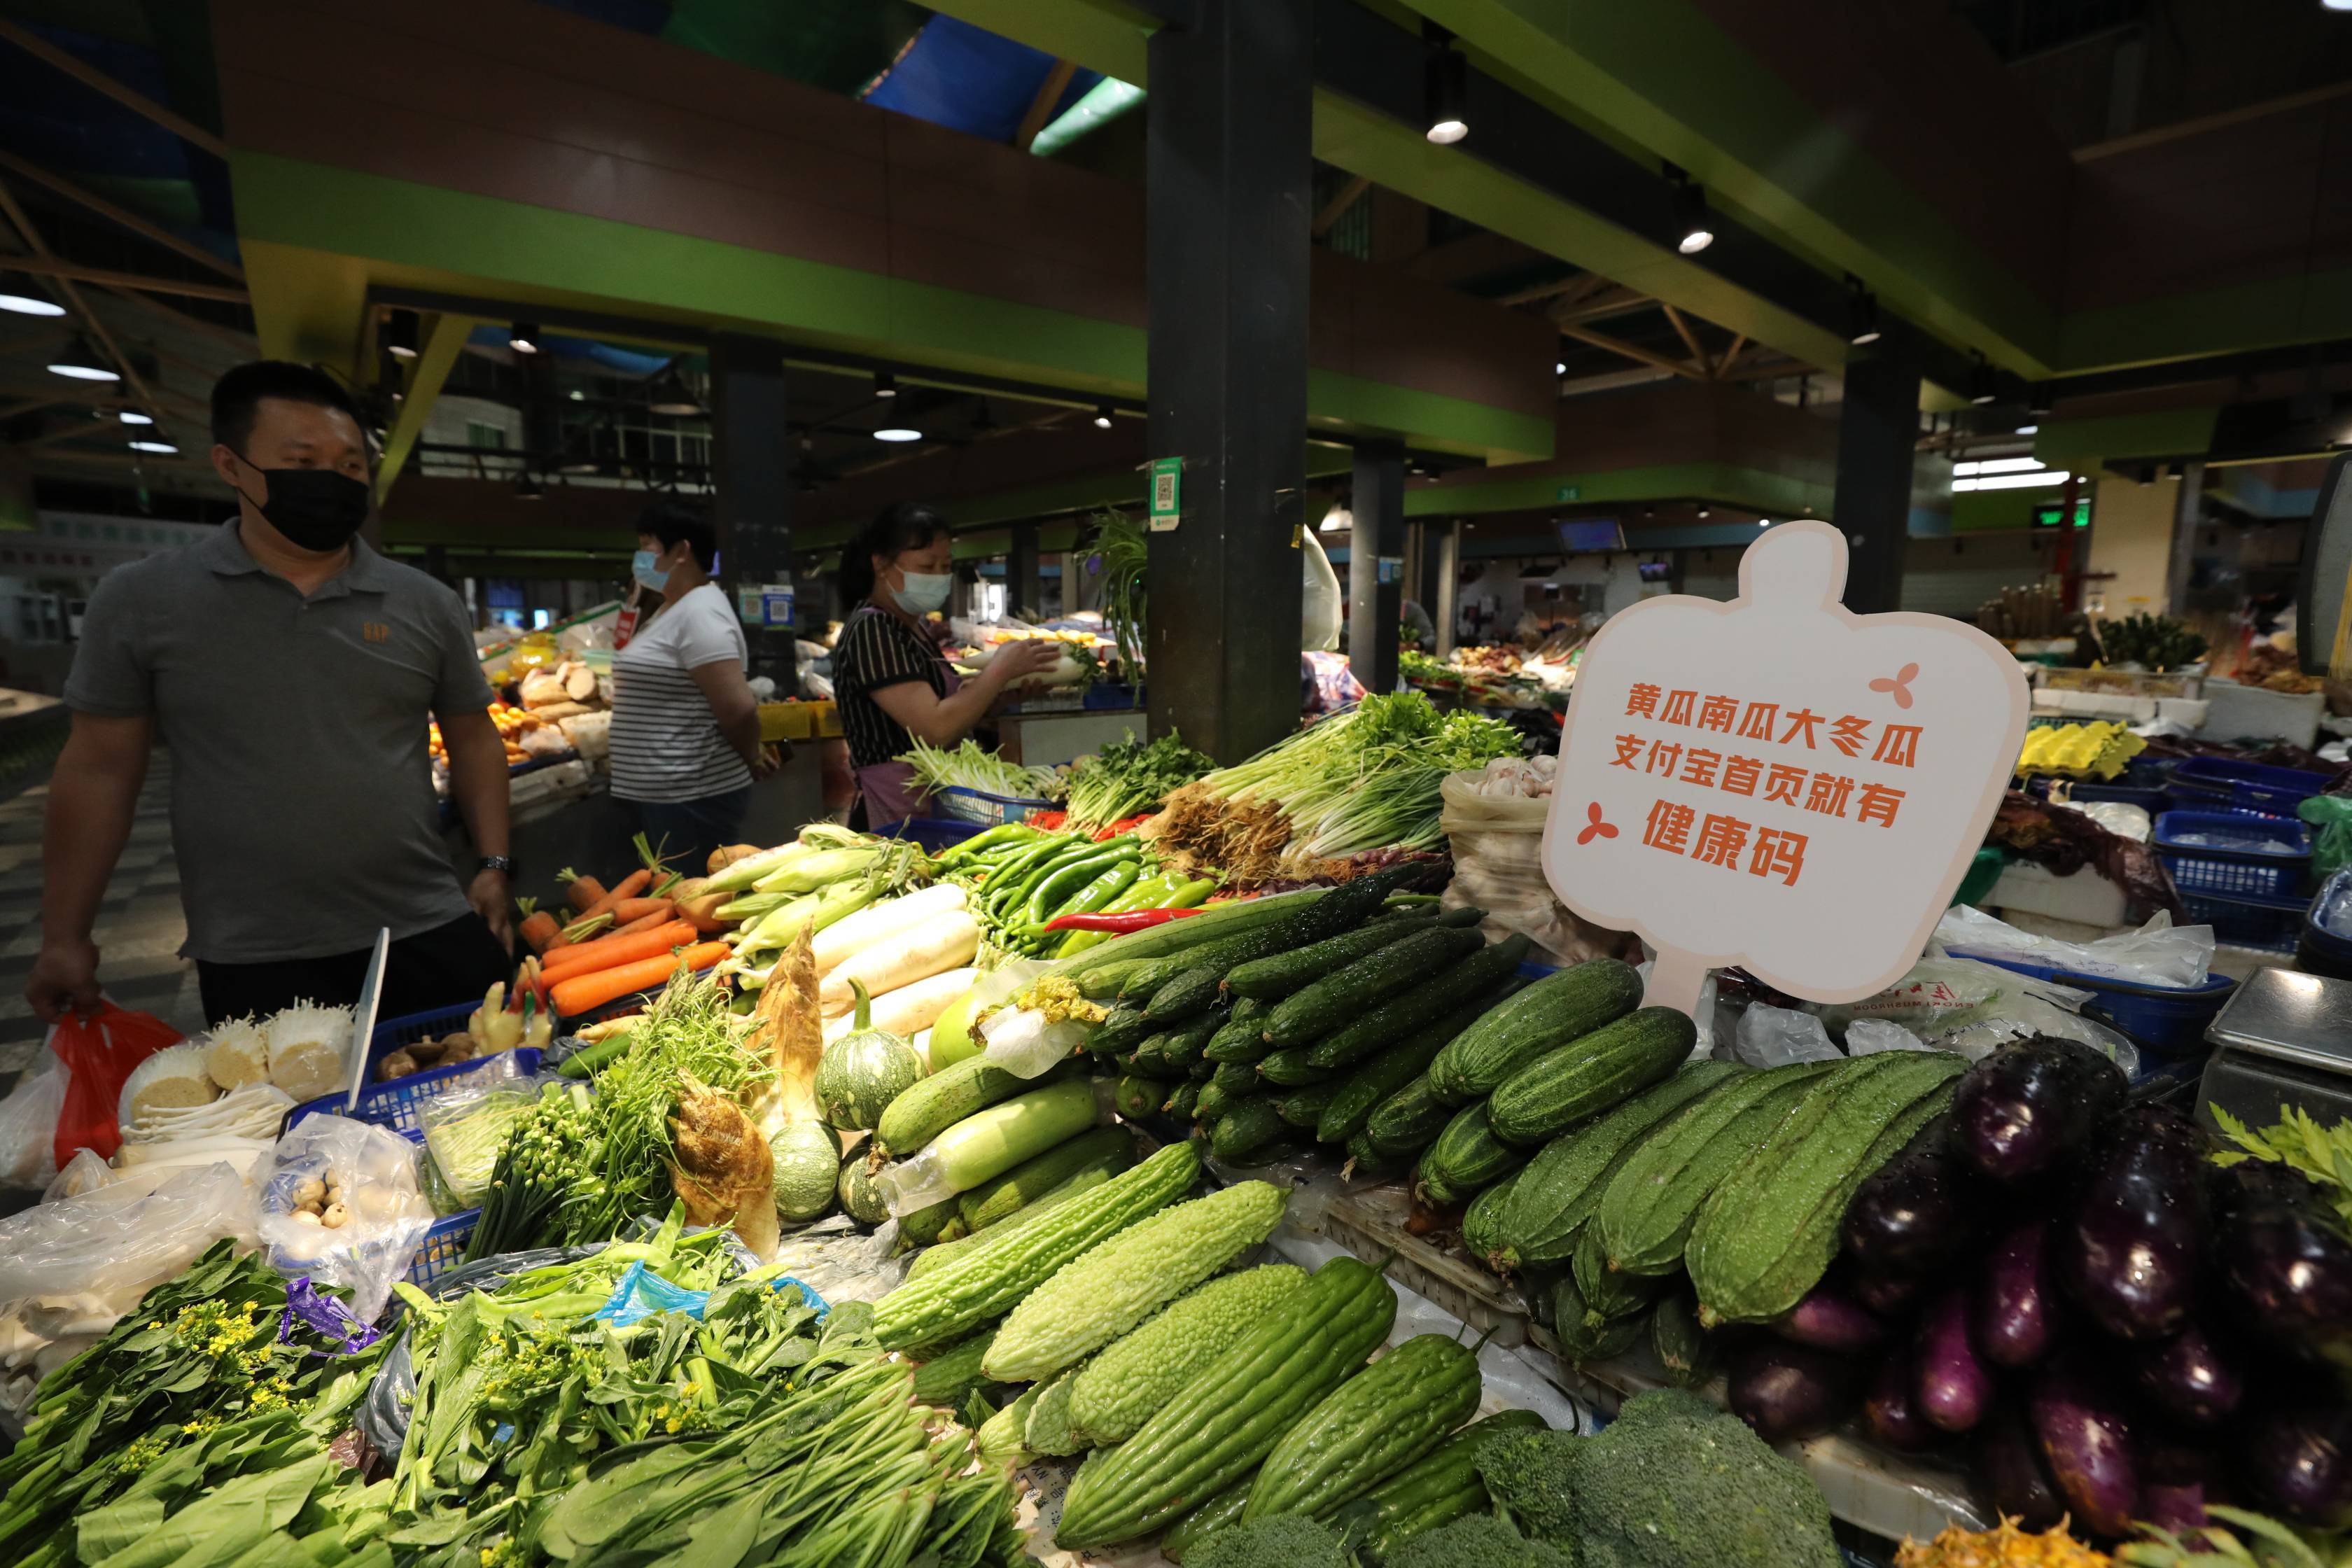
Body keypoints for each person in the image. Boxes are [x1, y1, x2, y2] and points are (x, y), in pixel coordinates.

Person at [29, 360, 517, 1026]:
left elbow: (472, 733)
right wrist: (64, 936)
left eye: (350, 466)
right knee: (294, 1129)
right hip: (255, 950)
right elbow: (98, 770)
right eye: (304, 460)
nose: (334, 481)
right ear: (231, 466)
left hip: (423, 920)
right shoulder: (146, 599)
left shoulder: (424, 603)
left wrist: (492, 862)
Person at [832, 503, 1058, 825]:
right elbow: (936, 728)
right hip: (898, 813)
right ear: (881, 564)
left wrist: (997, 700)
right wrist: (999, 671)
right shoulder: (871, 630)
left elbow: (948, 711)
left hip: (933, 799)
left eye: (945, 566)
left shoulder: (913, 628)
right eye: (927, 567)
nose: (939, 577)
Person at [608, 503, 773, 868]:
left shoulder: (701, 612)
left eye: (647, 547)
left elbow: (737, 707)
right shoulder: (672, 608)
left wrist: (751, 756)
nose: (640, 558)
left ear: (681, 551)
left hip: (690, 794)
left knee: (695, 901)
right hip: (668, 794)